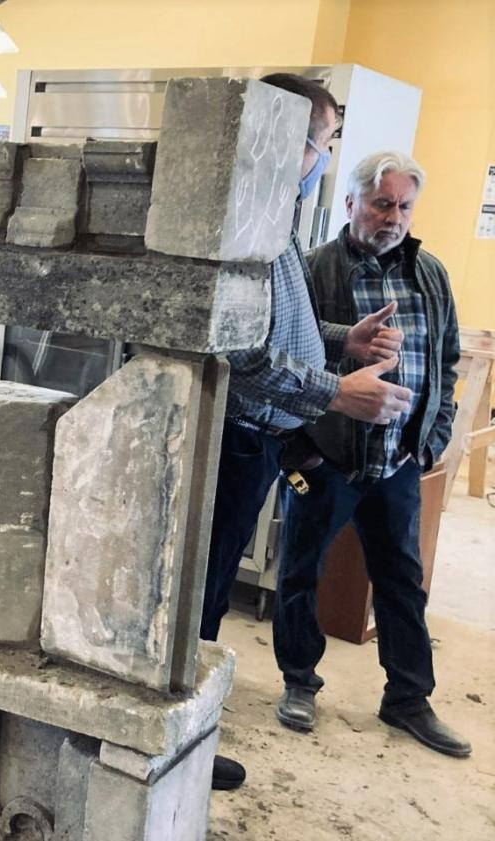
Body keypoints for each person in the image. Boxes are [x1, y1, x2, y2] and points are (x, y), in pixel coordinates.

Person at [203, 76, 415, 792]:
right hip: (233, 439)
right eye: (323, 143)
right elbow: (243, 354)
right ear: (292, 138)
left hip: (255, 443)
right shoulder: (241, 213)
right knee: (201, 598)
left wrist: (339, 339)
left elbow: (280, 323)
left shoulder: (273, 210)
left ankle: (192, 730)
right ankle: (183, 744)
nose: (321, 157)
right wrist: (335, 390)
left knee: (212, 592)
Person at [272, 151, 470, 758]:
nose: (393, 217)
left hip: (398, 462)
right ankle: (299, 681)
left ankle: (408, 697)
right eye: (382, 203)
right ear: (353, 202)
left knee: (402, 581)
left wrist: (430, 441)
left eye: (405, 205)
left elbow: (447, 360)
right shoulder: (313, 270)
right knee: (301, 572)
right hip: (324, 459)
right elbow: (286, 362)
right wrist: (299, 451)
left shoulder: (430, 274)